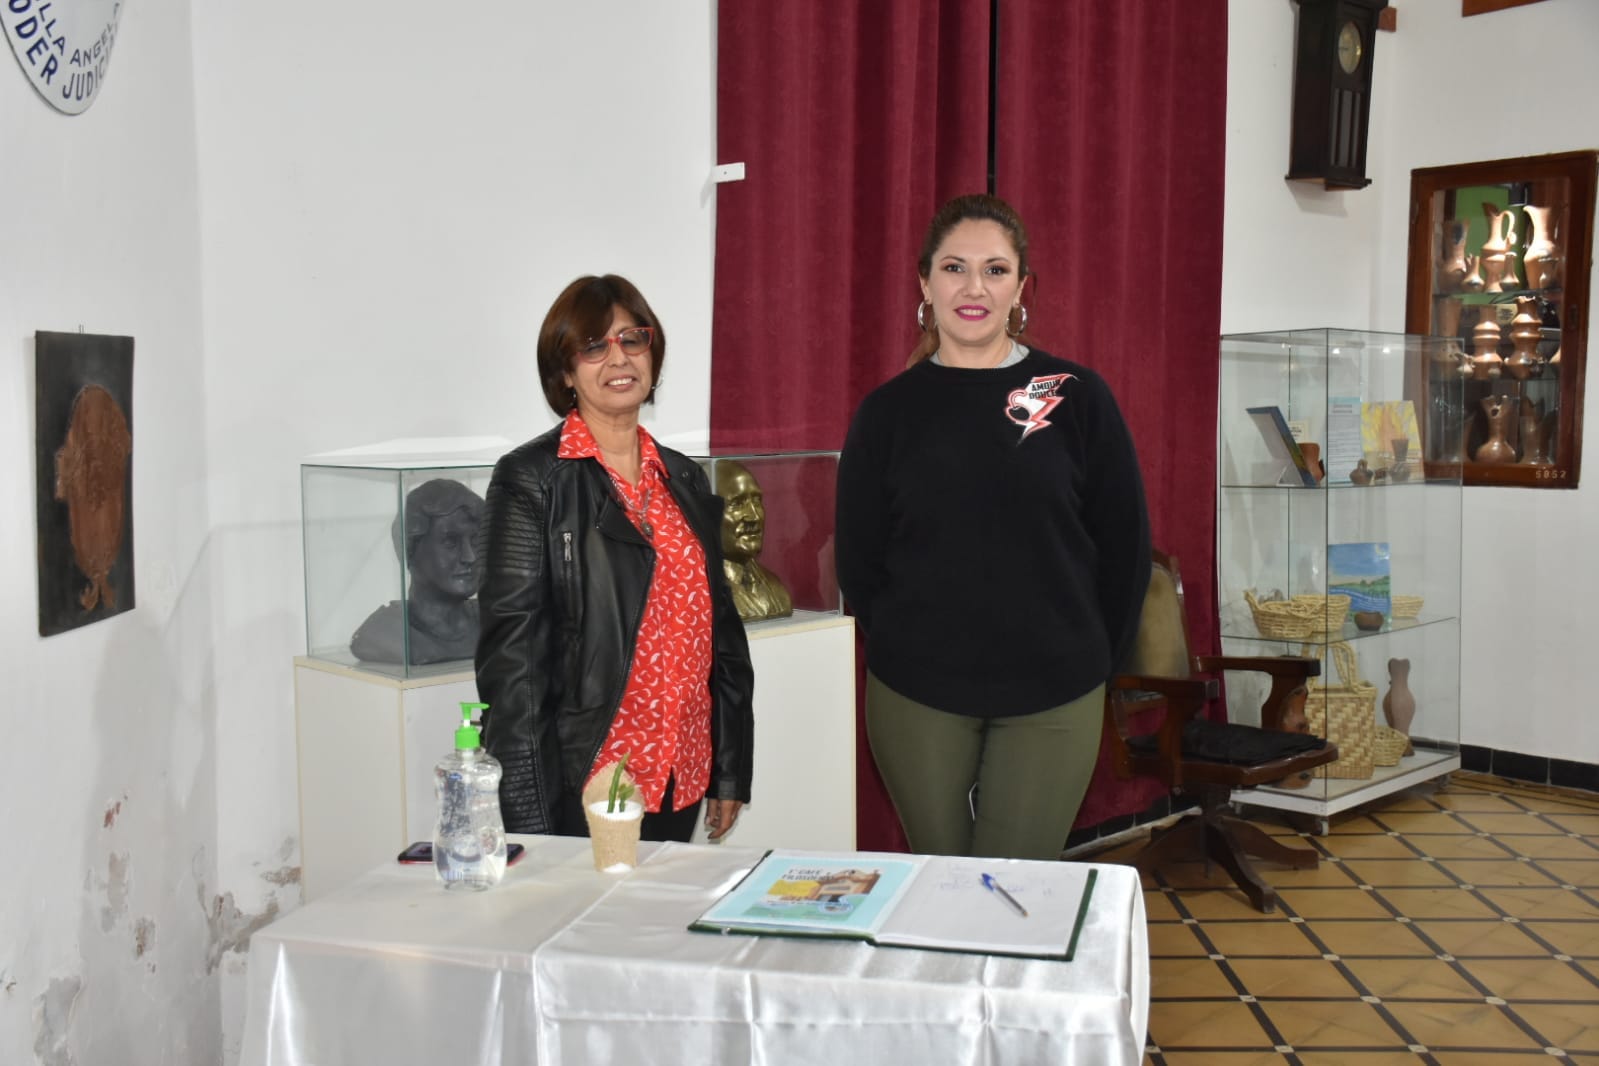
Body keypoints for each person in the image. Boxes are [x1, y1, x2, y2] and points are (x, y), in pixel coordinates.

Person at [835, 193, 1151, 861]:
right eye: (954, 268)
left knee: (1011, 887)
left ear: (1021, 286)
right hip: (917, 694)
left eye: (995, 270)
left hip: (1054, 693)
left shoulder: (1077, 397)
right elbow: (859, 558)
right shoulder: (886, 413)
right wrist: (901, 642)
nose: (973, 288)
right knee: (940, 881)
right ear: (925, 283)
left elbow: (1124, 547)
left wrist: (1094, 660)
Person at [475, 274, 755, 843]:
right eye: (593, 346)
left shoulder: (683, 477)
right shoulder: (533, 480)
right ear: (565, 372)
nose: (619, 358)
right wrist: (531, 821)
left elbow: (722, 637)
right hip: (588, 779)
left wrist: (729, 769)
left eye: (632, 339)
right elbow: (513, 668)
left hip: (680, 771)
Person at [350, 478, 484, 666]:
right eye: (450, 542)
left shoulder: (496, 621)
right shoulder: (385, 632)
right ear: (410, 549)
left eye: (476, 540)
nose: (470, 557)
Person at [714, 459, 793, 622]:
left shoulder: (775, 586)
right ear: (706, 513)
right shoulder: (704, 591)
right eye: (737, 504)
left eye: (757, 501)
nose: (754, 516)